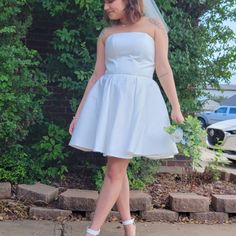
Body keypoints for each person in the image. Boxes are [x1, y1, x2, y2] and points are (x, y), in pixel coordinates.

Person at [68, 0, 185, 235]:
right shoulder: (106, 33)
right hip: (110, 102)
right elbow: (97, 74)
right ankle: (129, 225)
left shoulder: (154, 27)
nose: (105, 7)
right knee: (115, 169)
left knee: (114, 170)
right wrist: (79, 114)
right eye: (103, 3)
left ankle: (92, 231)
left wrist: (175, 107)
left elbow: (163, 68)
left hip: (138, 102)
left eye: (110, 1)